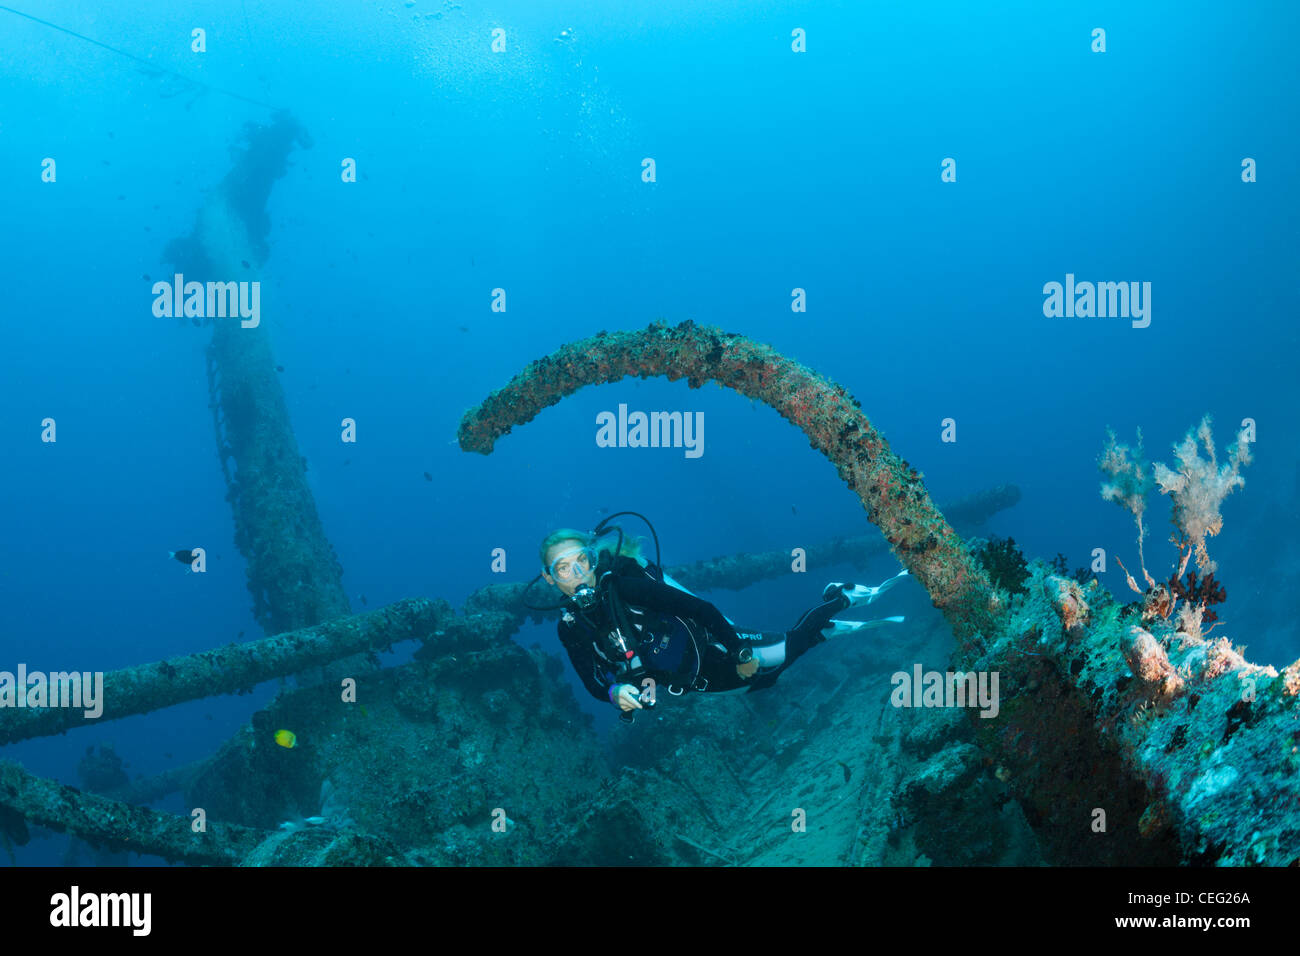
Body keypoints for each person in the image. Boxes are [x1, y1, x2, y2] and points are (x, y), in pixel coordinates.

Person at [539, 526, 907, 717]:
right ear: (549, 578)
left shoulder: (626, 588)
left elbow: (703, 611)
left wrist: (740, 652)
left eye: (582, 561)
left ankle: (840, 598)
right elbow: (591, 680)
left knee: (783, 651)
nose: (578, 574)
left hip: (717, 647)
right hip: (697, 681)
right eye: (563, 568)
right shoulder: (570, 627)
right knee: (769, 677)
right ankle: (824, 629)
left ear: (592, 559)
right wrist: (613, 693)